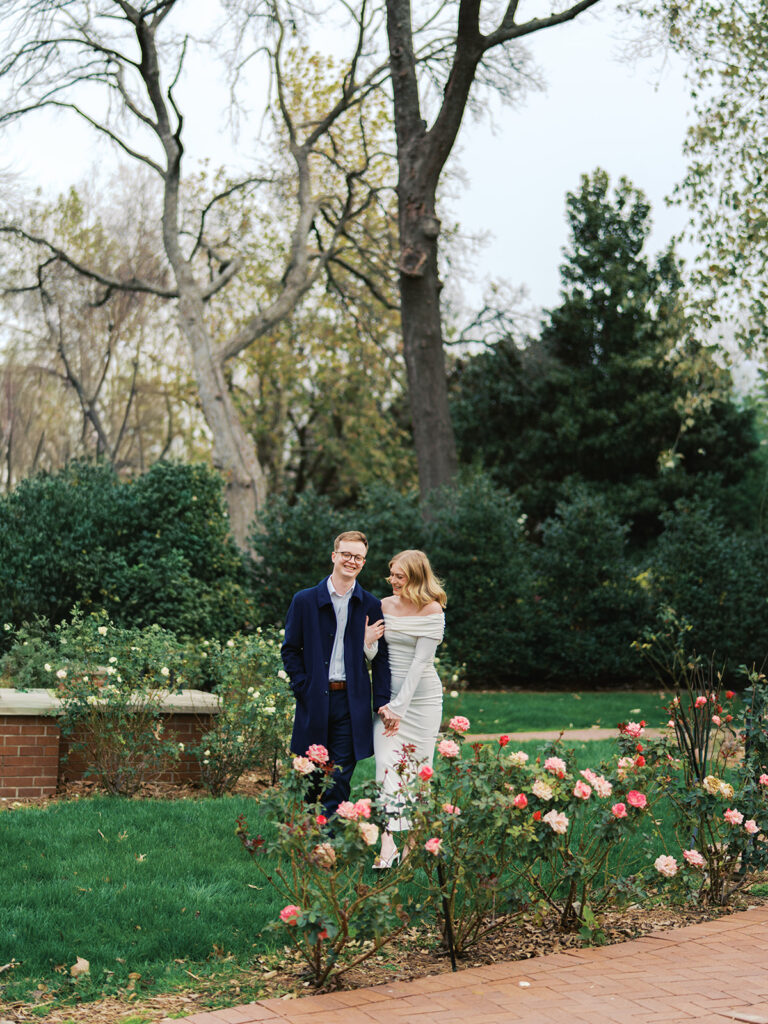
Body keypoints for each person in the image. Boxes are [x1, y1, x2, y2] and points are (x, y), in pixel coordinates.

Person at [281, 530, 392, 817]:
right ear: (334, 556)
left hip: (350, 702)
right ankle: (311, 836)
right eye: (346, 554)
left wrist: (381, 702)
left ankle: (328, 844)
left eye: (358, 557)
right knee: (313, 773)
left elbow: (381, 660)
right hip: (314, 697)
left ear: (364, 563)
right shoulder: (304, 600)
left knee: (340, 776)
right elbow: (290, 649)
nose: (351, 561)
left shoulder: (371, 604)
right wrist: (301, 686)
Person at [372, 549, 447, 868]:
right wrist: (366, 641)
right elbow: (374, 652)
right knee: (385, 765)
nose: (392, 580)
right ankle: (387, 843)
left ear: (416, 577)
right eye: (391, 574)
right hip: (388, 698)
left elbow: (421, 662)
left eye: (399, 576)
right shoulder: (383, 605)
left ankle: (413, 844)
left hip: (421, 701)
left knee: (418, 770)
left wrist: (399, 709)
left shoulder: (433, 609)